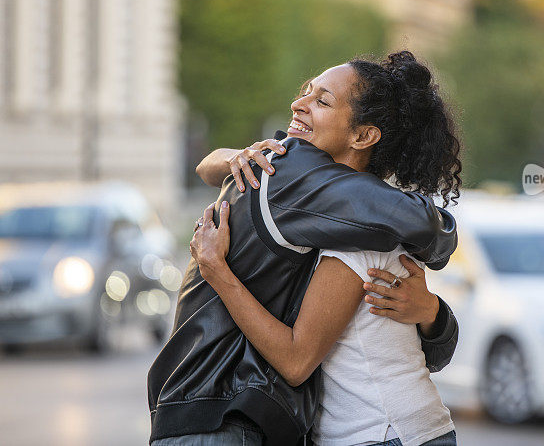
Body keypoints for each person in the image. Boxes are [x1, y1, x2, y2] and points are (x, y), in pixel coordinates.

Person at [147, 51, 460, 445]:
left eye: (322, 101)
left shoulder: (356, 227)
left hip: (384, 433)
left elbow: (298, 361)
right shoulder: (311, 201)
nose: (299, 103)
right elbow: (208, 167)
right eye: (306, 92)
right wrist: (234, 158)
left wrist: (219, 273)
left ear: (362, 136)